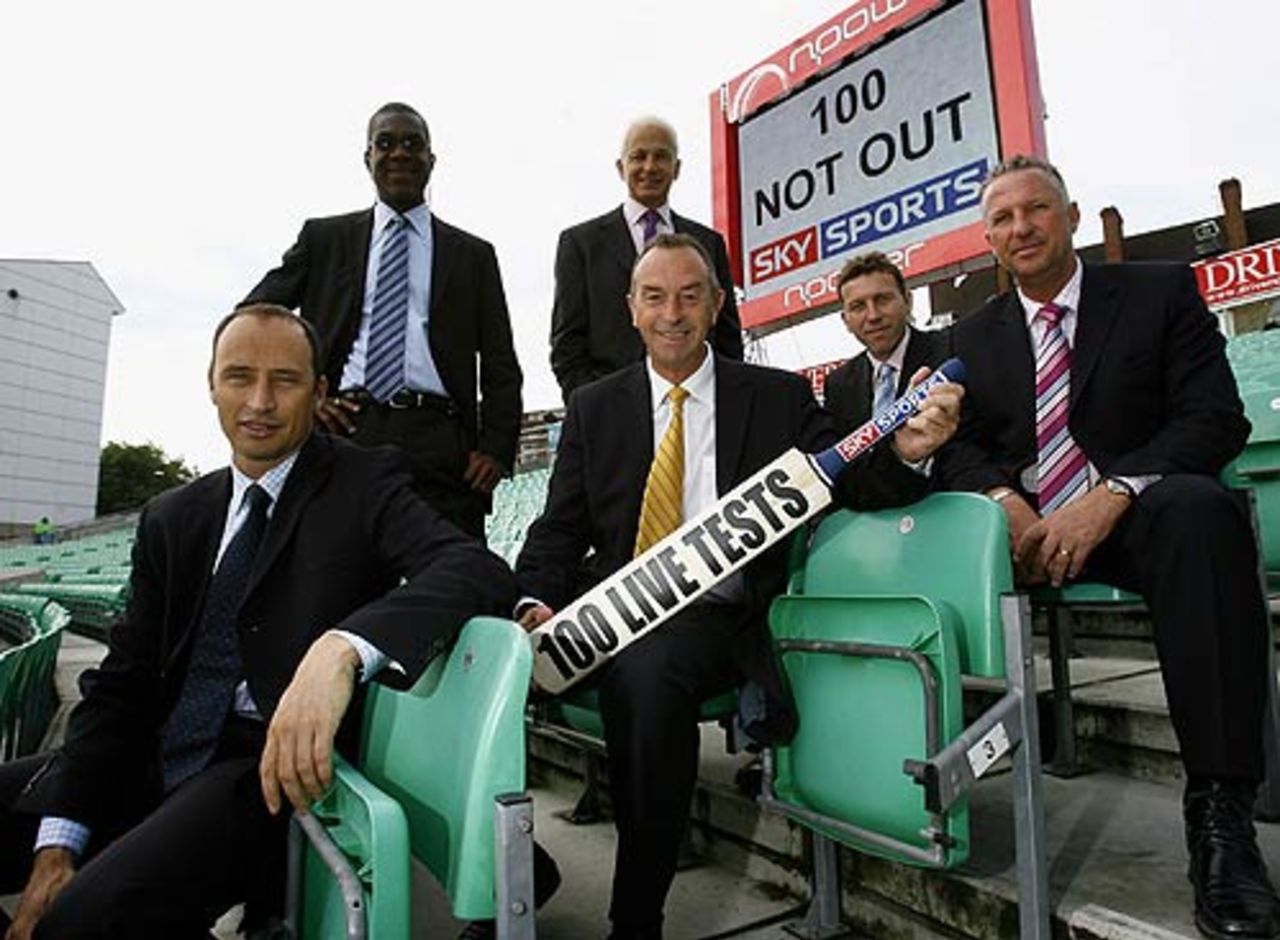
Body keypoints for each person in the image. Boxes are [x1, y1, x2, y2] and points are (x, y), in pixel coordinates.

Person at [0, 305, 515, 938]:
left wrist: (344, 647)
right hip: (148, 756)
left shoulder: (363, 480)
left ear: (321, 392)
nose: (261, 402)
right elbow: (123, 686)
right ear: (212, 385)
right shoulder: (173, 516)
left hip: (265, 773)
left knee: (78, 921)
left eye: (286, 380)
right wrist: (60, 839)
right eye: (240, 377)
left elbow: (469, 567)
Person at [517, 234, 961, 939]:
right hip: (612, 620)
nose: (673, 313)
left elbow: (848, 483)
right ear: (631, 308)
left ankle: (637, 918)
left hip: (725, 624)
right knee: (503, 663)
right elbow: (559, 532)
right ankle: (500, 887)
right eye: (655, 297)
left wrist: (907, 451)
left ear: (717, 305)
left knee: (649, 674)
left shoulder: (777, 397)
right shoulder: (597, 407)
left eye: (691, 295)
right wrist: (531, 602)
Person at [938, 154, 1280, 939]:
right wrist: (1005, 503)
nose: (1020, 228)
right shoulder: (970, 334)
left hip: (1137, 519)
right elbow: (959, 450)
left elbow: (1213, 419)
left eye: (1036, 210)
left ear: (1072, 216)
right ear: (987, 237)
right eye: (1002, 218)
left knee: (1202, 510)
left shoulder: (1157, 293)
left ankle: (1221, 816)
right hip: (1024, 537)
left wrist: (1113, 492)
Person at [242, 102, 523, 539]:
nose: (399, 154)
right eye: (385, 143)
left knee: (452, 582)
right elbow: (255, 317)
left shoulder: (473, 255)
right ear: (367, 157)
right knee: (336, 580)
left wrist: (496, 449)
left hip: (442, 440)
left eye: (413, 144)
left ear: (431, 160)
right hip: (345, 431)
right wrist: (305, 396)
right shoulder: (324, 240)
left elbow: (502, 363)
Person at [549, 117, 743, 403]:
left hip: (698, 409)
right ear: (620, 167)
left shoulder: (709, 243)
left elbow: (727, 338)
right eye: (638, 157)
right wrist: (596, 407)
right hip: (612, 413)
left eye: (661, 157)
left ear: (676, 168)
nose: (649, 167)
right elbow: (567, 345)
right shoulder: (580, 245)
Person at [823, 251, 951, 432]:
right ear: (846, 320)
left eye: (882, 300)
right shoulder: (838, 385)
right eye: (858, 307)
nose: (873, 315)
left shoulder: (949, 352)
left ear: (908, 301)